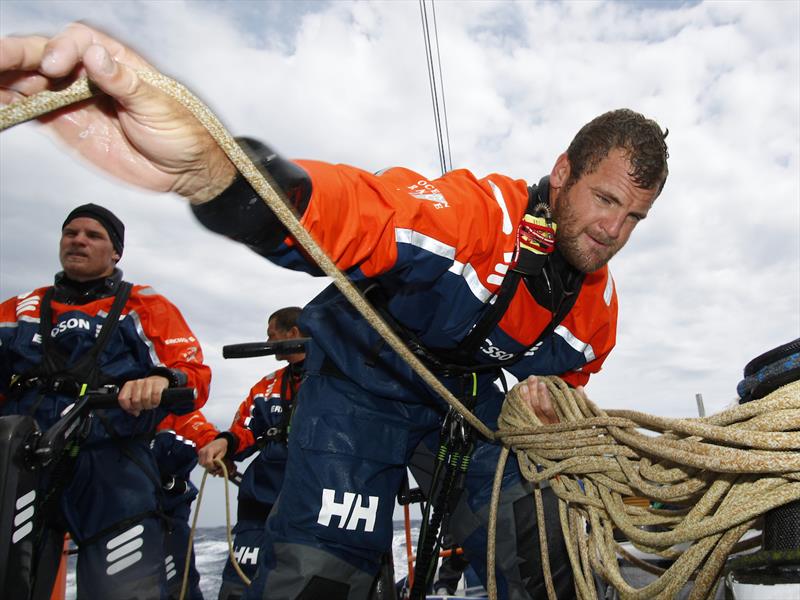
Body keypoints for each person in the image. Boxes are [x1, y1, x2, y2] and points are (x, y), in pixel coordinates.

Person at [0, 24, 669, 599]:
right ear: (561, 174)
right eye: (605, 199)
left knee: (545, 548)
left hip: (465, 405)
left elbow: (567, 384)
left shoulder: (595, 314)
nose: (614, 229)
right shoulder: (480, 218)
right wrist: (219, 173)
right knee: (323, 571)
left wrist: (548, 402)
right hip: (363, 383)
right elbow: (367, 211)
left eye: (635, 216)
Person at [0, 201, 212, 599]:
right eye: (70, 233)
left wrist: (161, 379)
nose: (78, 240)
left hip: (112, 466)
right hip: (23, 464)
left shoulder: (146, 306)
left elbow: (194, 376)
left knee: (125, 589)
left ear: (115, 251)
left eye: (93, 235)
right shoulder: (18, 309)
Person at [198, 306, 305, 600]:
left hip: (313, 513)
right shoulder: (266, 386)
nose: (268, 342)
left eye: (271, 335)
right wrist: (225, 445)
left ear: (292, 334)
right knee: (240, 588)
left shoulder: (340, 381)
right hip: (258, 509)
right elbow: (244, 428)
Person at [154, 408, 220, 600]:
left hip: (167, 523)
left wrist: (217, 446)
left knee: (179, 589)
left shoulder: (173, 410)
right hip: (108, 524)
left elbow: (198, 429)